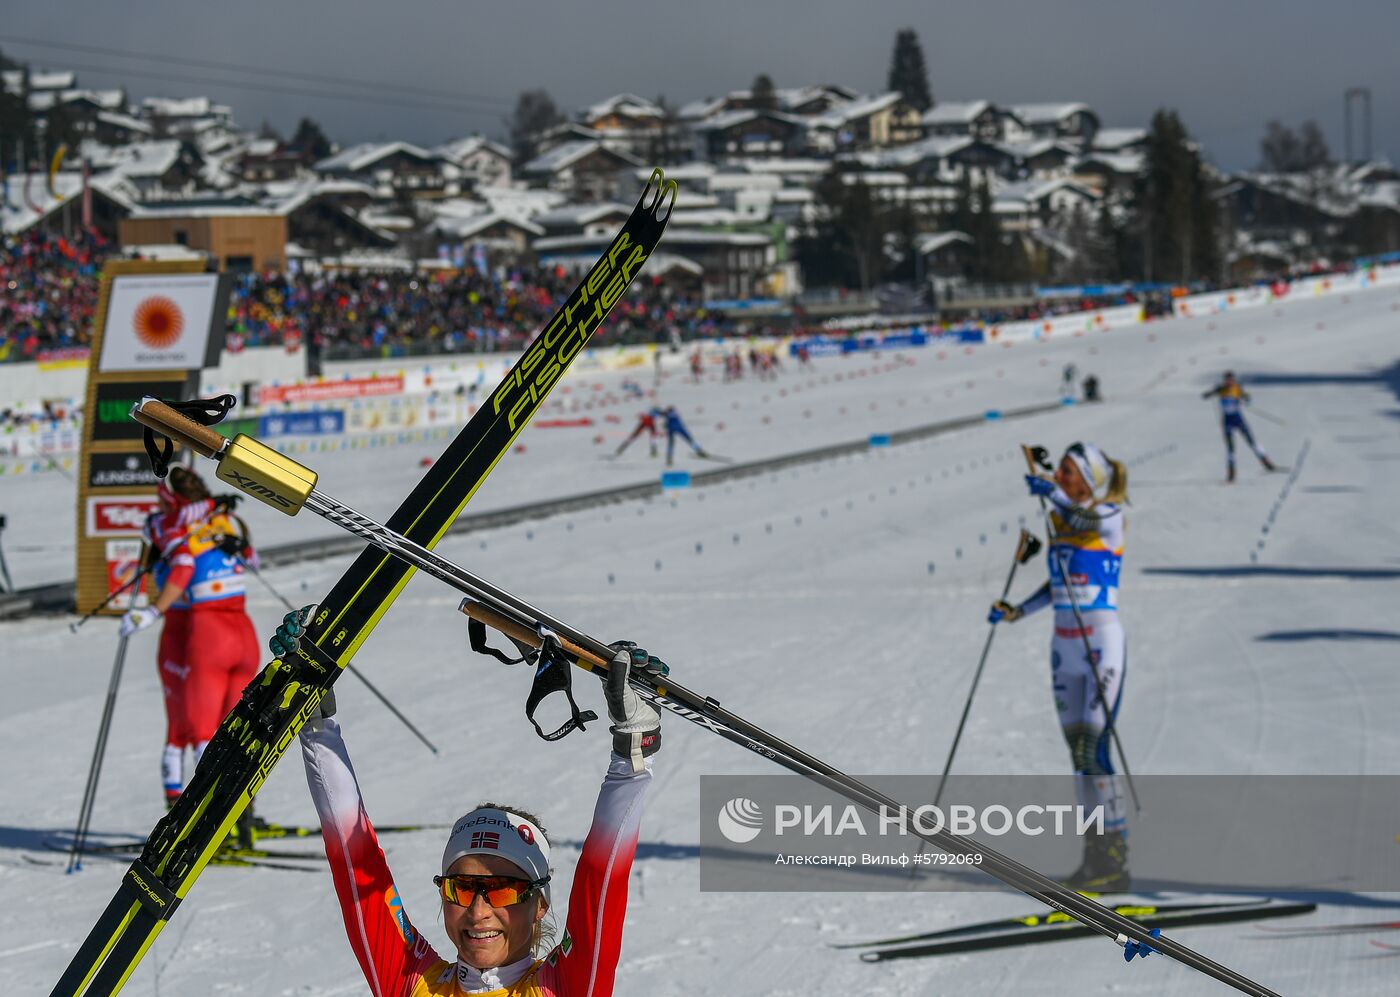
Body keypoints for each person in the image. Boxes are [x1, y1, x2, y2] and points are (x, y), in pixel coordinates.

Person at [271, 608, 663, 997]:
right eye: (460, 888)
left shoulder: (562, 990)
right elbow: (355, 861)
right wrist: (314, 713)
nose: (478, 911)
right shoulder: (414, 986)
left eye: (504, 889)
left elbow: (602, 880)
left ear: (540, 903)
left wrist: (632, 758)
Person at [987, 443, 1130, 891]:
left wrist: (1053, 494)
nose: (1062, 477)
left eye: (1069, 472)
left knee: (1096, 751)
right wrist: (1017, 611)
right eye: (1061, 471)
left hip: (1099, 644)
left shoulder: (1107, 516)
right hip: (1064, 646)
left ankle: (1114, 855)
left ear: (1088, 480)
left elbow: (1086, 518)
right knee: (1078, 757)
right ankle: (1093, 856)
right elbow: (1059, 583)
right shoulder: (1061, 523)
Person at [120, 467, 260, 811]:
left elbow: (181, 565)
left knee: (197, 731)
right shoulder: (227, 518)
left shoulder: (172, 525)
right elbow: (253, 561)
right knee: (234, 730)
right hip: (242, 630)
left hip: (204, 633)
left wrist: (151, 610)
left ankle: (207, 815)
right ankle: (242, 813)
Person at [1202, 371, 1275, 482]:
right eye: (1228, 379)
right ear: (1225, 380)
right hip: (1227, 421)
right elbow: (1207, 395)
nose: (1230, 381)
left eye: (1231, 379)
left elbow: (1247, 397)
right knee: (1230, 447)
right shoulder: (1221, 389)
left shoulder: (1237, 388)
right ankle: (1231, 473)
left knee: (1251, 441)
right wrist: (1210, 393)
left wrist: (1245, 398)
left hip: (1238, 419)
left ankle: (1266, 462)